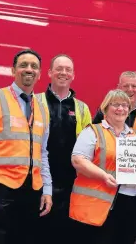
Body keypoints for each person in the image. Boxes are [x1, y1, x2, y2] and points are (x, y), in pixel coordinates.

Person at [0, 49, 53, 244]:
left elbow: (43, 153)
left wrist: (47, 189)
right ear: (13, 70)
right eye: (23, 65)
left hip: (32, 191)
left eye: (34, 66)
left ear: (40, 74)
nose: (28, 69)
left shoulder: (41, 107)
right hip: (0, 191)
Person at [70, 89, 136, 244]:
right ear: (105, 108)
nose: (121, 108)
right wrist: (103, 176)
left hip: (130, 203)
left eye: (125, 105)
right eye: (116, 104)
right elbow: (78, 160)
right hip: (96, 205)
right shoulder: (93, 131)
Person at [35, 54, 91, 244]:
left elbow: (89, 149)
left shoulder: (82, 108)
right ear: (50, 72)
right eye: (59, 68)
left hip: (71, 184)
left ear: (73, 75)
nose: (63, 73)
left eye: (68, 69)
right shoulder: (35, 101)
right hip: (39, 181)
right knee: (39, 233)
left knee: (67, 235)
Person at [93, 71, 136, 137]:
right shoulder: (104, 110)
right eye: (126, 86)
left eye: (134, 86)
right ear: (119, 87)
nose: (130, 89)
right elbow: (95, 136)